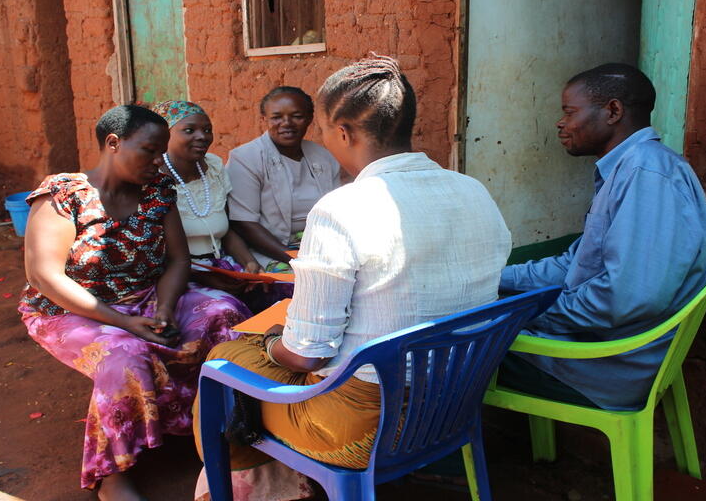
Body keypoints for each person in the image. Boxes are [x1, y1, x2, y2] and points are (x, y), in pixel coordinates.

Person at [192, 55, 512, 500]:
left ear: (343, 133)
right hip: (451, 403)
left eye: (321, 128)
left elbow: (306, 356)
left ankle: (254, 486)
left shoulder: (342, 209)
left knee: (222, 363)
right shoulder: (473, 190)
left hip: (361, 426)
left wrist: (270, 343)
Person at [18, 105, 247, 500]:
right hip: (67, 308)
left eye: (161, 152)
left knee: (224, 314)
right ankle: (112, 475)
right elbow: (46, 276)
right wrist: (124, 323)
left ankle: (209, 426)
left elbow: (178, 259)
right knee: (123, 354)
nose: (159, 161)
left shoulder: (157, 190)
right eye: (150, 151)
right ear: (113, 143)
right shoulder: (64, 195)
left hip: (143, 298)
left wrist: (163, 308)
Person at [498, 63, 706, 411]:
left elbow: (624, 297)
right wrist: (496, 282)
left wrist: (523, 315)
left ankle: (433, 460)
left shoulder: (647, 174)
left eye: (569, 112)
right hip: (595, 350)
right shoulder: (628, 169)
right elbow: (575, 263)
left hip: (604, 367)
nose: (560, 122)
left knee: (448, 354)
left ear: (613, 111)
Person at [152, 99, 292, 314]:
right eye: (189, 130)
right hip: (180, 276)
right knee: (225, 309)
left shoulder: (214, 167)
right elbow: (158, 253)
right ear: (165, 135)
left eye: (207, 130)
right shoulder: (153, 178)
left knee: (287, 291)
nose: (202, 136)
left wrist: (249, 264)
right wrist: (208, 277)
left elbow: (228, 230)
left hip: (223, 266)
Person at [226, 86, 342, 271]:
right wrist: (295, 259)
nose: (286, 123)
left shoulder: (324, 157)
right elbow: (243, 223)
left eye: (297, 116)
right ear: (264, 119)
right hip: (271, 252)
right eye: (276, 117)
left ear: (309, 119)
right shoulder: (246, 158)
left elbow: (338, 211)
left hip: (321, 250)